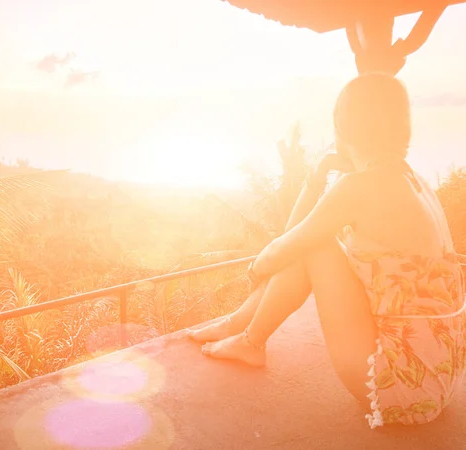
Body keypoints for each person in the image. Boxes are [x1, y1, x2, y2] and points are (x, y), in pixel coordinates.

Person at [187, 73, 466, 429]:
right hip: (441, 373)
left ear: (342, 128)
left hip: (403, 386)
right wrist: (319, 176)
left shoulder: (360, 185)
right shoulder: (416, 182)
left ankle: (249, 338)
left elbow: (288, 244)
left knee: (313, 245)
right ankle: (241, 329)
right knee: (310, 242)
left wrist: (258, 267)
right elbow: (296, 239)